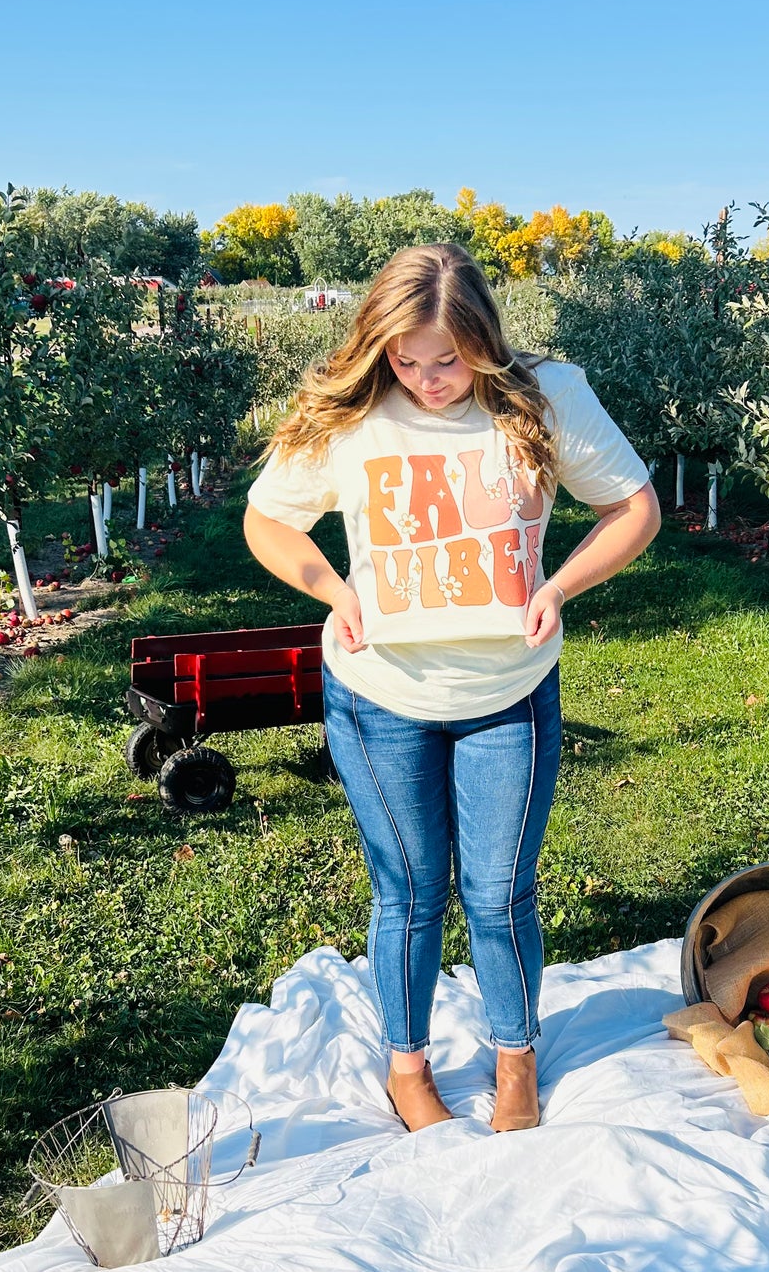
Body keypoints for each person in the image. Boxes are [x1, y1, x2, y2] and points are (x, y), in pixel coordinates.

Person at [244, 244, 659, 1132]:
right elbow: (267, 519)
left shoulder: (544, 398)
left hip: (508, 692)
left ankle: (516, 1060)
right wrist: (331, 588)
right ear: (379, 346)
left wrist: (557, 586)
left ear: (483, 339)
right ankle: (407, 1067)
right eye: (407, 360)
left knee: (500, 890)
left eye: (449, 359)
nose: (429, 380)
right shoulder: (348, 411)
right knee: (410, 889)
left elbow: (635, 508)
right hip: (379, 692)